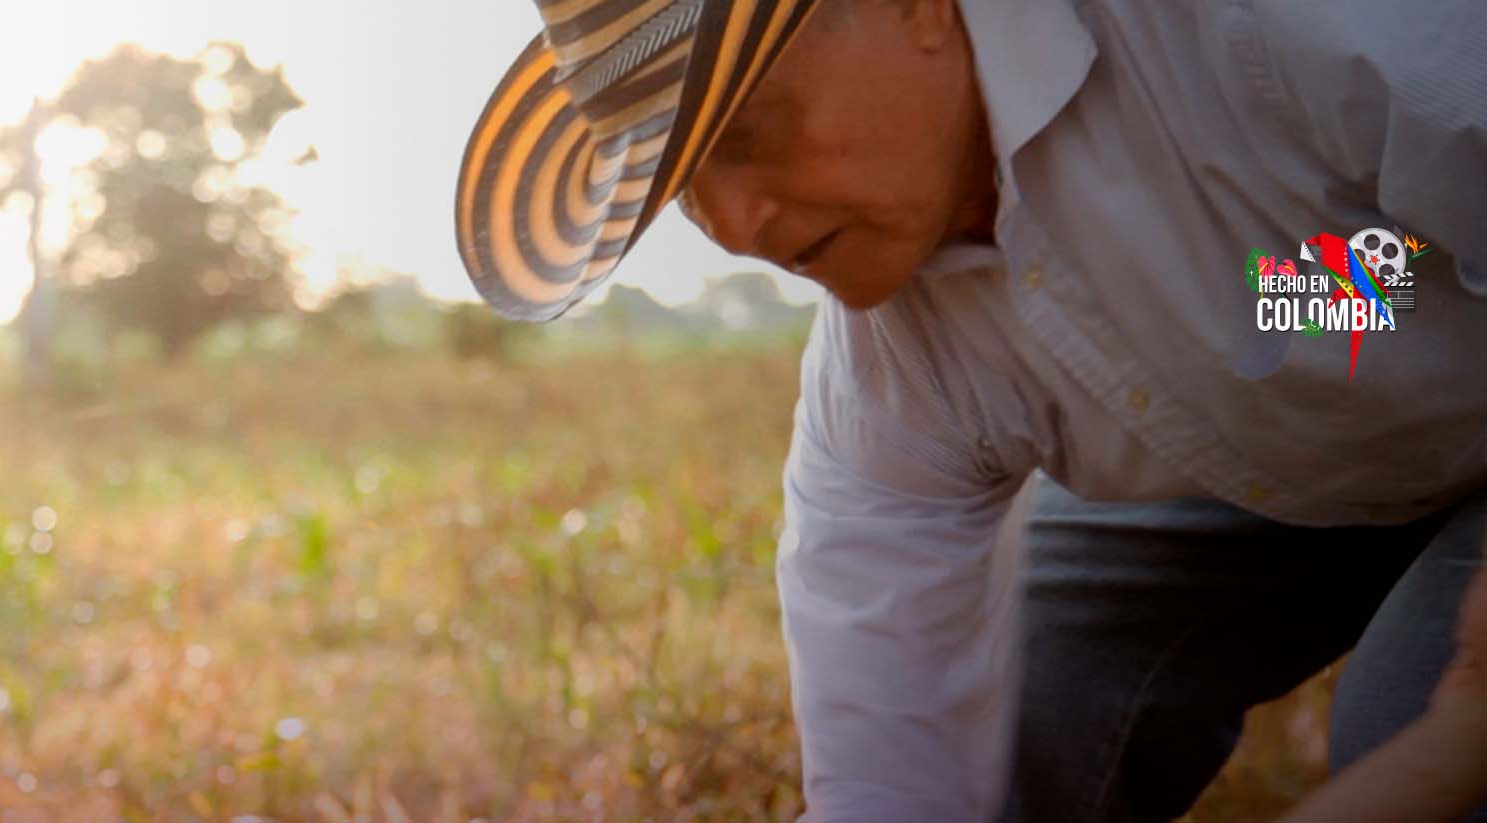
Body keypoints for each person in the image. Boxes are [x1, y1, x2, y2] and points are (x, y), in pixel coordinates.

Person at [452, 0, 1487, 820]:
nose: (733, 224)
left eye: (748, 129)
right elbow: (887, 774)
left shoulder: (1280, 25)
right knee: (1013, 703)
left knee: (1410, 719)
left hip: (1447, 356)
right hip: (1263, 448)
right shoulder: (884, 382)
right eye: (683, 186)